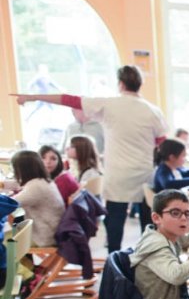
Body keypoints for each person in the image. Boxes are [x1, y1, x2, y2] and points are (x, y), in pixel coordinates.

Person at [14, 65, 168, 252]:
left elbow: (69, 100)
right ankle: (149, 256)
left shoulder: (109, 104)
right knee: (148, 221)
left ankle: (114, 258)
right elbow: (161, 142)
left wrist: (33, 97)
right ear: (140, 85)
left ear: (120, 84)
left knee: (115, 221)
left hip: (117, 173)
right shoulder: (153, 111)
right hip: (144, 173)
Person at [10, 150, 64, 247]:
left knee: (6, 235)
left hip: (44, 237)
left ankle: (13, 261)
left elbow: (10, 204)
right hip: (53, 231)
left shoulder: (35, 187)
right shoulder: (44, 181)